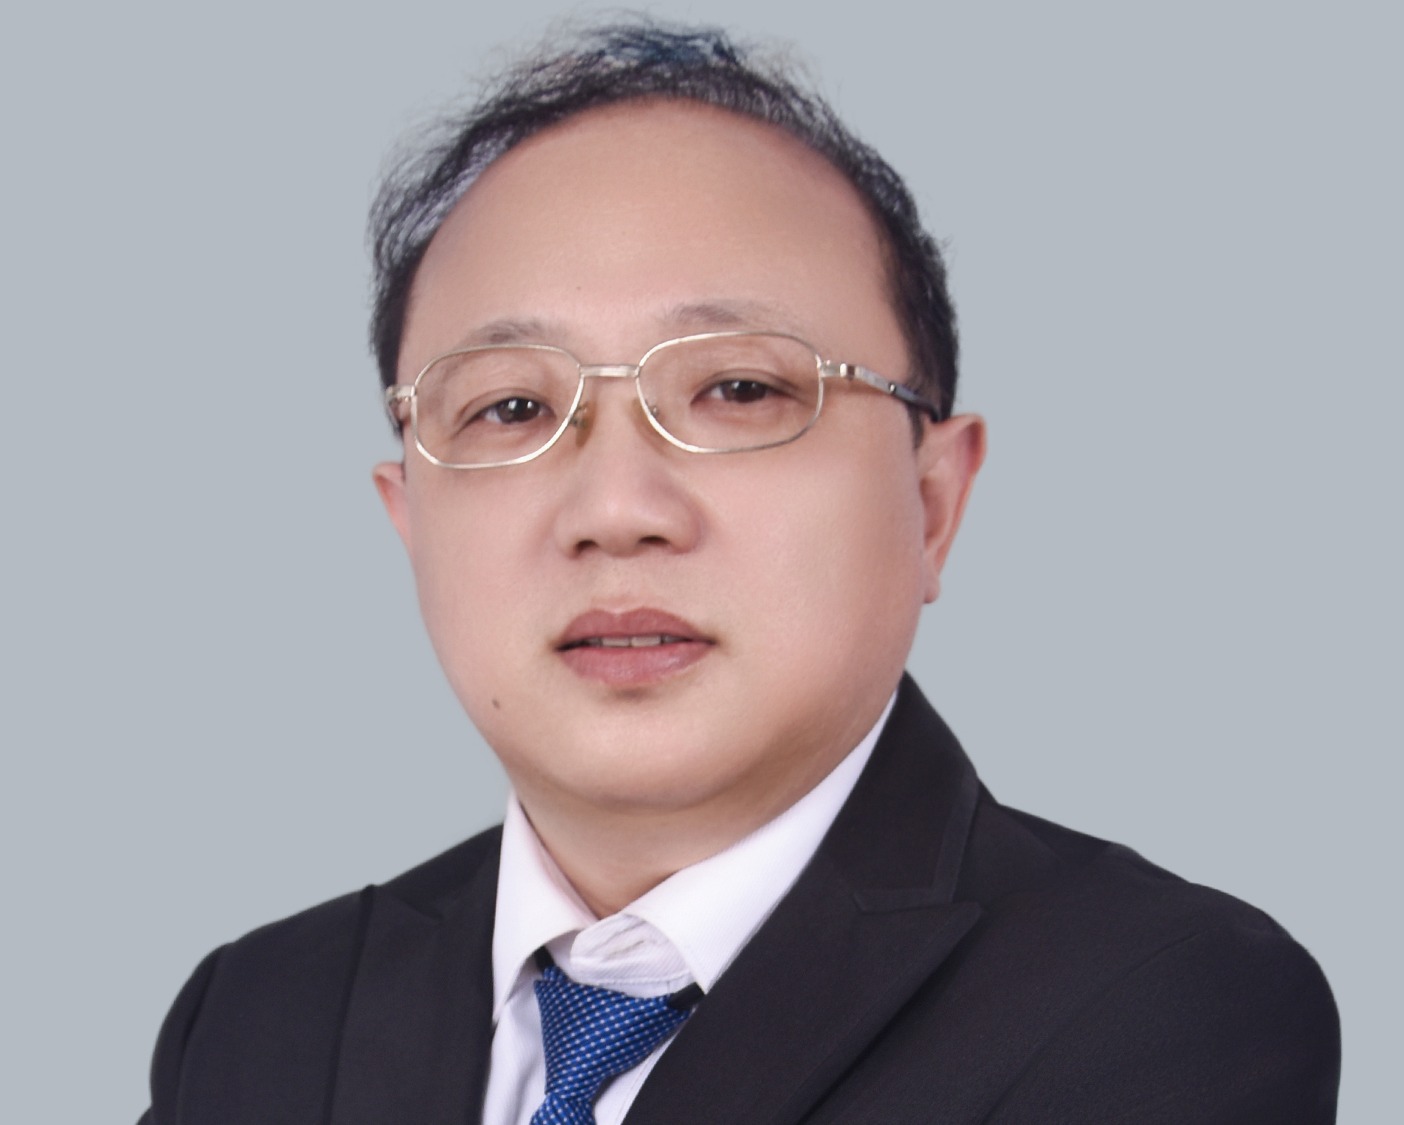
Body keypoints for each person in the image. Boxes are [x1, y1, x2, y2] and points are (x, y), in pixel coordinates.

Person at [140, 19, 1340, 1124]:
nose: (616, 512)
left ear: (933, 502)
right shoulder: (259, 1019)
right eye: (511, 407)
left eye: (740, 389)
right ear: (407, 520)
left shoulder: (1162, 1007)